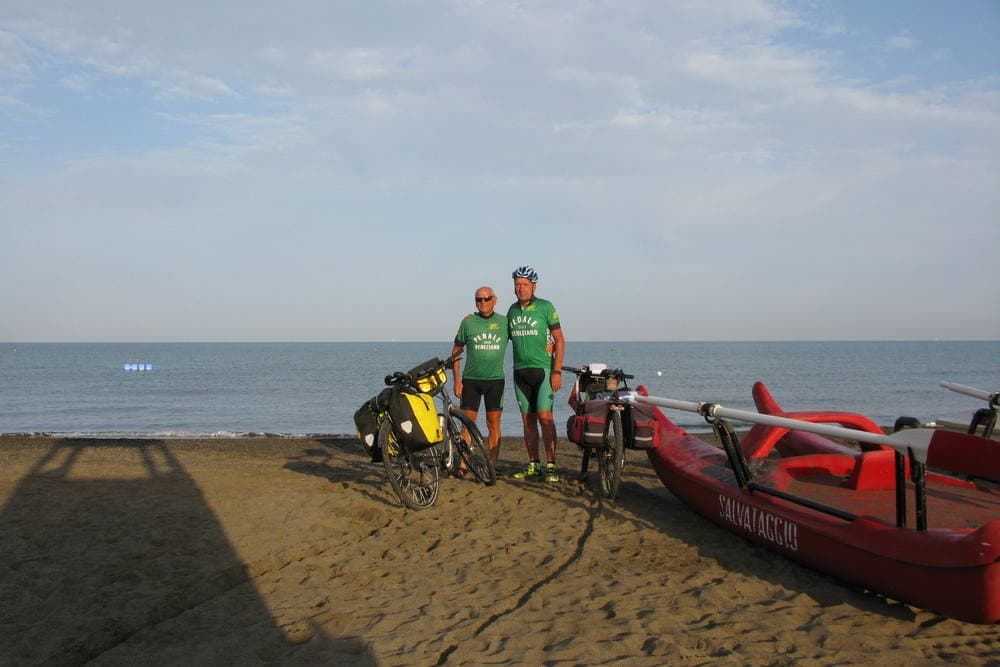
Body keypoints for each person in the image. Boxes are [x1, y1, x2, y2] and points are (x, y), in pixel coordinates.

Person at [507, 265, 565, 483]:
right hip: (520, 373)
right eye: (517, 285)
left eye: (524, 285)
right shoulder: (512, 311)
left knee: (545, 417)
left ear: (533, 286)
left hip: (544, 371)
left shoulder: (545, 307)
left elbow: (559, 340)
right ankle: (534, 464)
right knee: (527, 420)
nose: (521, 288)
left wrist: (557, 371)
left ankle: (551, 464)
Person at [450, 286, 508, 469]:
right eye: (478, 299)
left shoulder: (505, 322)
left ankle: (492, 465)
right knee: (467, 424)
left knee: (493, 424)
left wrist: (549, 344)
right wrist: (457, 379)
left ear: (495, 300)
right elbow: (456, 351)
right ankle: (463, 465)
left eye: (486, 298)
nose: (483, 302)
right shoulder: (468, 322)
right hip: (471, 380)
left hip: (495, 381)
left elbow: (526, 340)